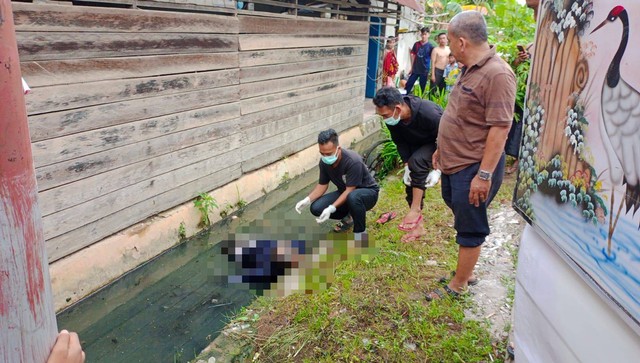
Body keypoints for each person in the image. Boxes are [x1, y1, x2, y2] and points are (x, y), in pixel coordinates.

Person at [428, 11, 516, 300]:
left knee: (470, 226)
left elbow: (500, 129)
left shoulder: (497, 74)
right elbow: (461, 114)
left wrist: (484, 175)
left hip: (474, 166)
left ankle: (458, 285)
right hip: (456, 161)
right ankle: (467, 271)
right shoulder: (472, 67)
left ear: (462, 42)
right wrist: (443, 146)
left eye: (451, 42)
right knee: (458, 208)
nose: (449, 48)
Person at [372, 87, 443, 242]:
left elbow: (449, 139)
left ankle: (415, 209)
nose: (384, 119)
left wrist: (439, 169)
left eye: (384, 115)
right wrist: (406, 166)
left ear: (397, 108)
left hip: (439, 143)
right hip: (416, 144)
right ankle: (419, 228)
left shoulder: (429, 114)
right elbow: (400, 142)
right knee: (411, 179)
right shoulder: (393, 119)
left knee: (417, 162)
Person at [295, 129, 379, 236]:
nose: (325, 157)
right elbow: (322, 185)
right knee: (316, 208)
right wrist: (307, 200)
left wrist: (331, 208)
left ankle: (360, 234)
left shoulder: (353, 161)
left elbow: (350, 190)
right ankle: (350, 215)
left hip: (367, 194)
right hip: (345, 193)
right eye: (322, 153)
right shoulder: (324, 162)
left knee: (354, 197)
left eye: (328, 153)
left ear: (338, 149)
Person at [405, 28, 434, 95]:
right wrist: (411, 68)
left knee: (422, 87)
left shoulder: (430, 47)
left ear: (428, 35)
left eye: (425, 34)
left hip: (424, 70)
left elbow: (433, 59)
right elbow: (413, 56)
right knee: (409, 84)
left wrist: (431, 72)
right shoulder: (416, 44)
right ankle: (404, 98)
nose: (423, 36)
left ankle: (420, 101)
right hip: (415, 69)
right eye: (422, 34)